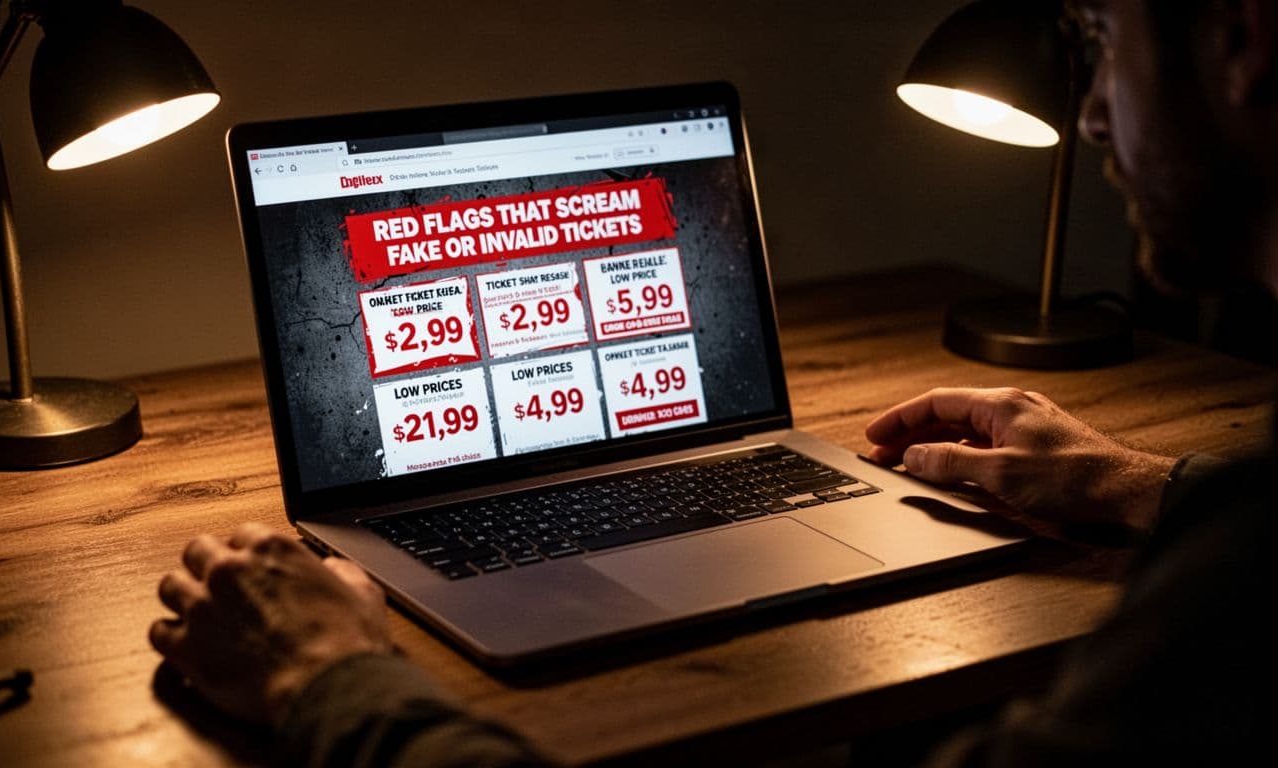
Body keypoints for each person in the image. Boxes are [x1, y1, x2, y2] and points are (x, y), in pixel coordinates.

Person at [149, 0, 1276, 764]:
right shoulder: (1240, 519)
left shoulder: (1232, 589)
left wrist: (329, 675)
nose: (1090, 109)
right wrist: (1151, 485)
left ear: (1242, 37)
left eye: (1104, 35)